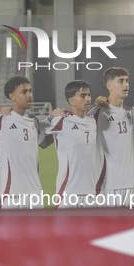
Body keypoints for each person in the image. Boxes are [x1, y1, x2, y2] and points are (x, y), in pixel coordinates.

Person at [0, 76, 54, 209]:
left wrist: (62, 130)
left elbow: (44, 143)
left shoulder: (34, 121)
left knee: (37, 231)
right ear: (12, 97)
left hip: (34, 194)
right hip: (11, 194)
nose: (29, 95)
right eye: (24, 92)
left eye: (30, 91)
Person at [89, 67, 134, 207]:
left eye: (127, 81)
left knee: (132, 228)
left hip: (130, 184)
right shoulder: (97, 112)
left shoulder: (131, 112)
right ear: (109, 86)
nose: (126, 84)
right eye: (121, 81)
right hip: (107, 185)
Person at [44, 80, 98, 208]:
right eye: (83, 95)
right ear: (71, 101)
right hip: (68, 192)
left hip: (90, 192)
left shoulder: (92, 120)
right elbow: (35, 131)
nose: (88, 98)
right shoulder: (61, 119)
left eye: (89, 94)